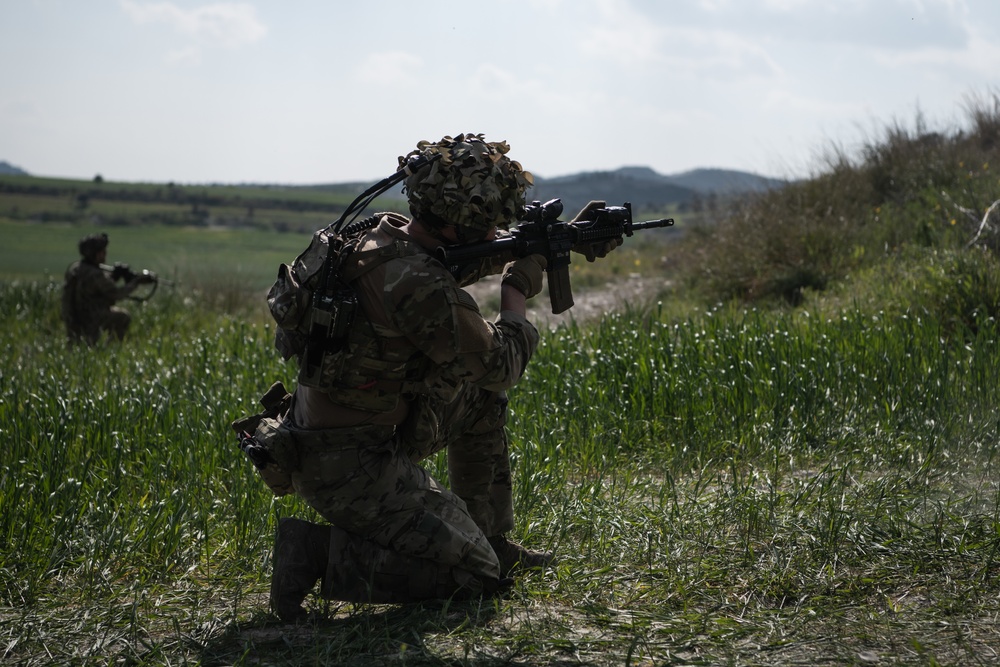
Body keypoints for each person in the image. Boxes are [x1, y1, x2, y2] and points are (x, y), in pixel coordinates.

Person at [265, 133, 619, 621]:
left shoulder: (381, 235)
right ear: (456, 227)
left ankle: (490, 533)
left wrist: (556, 242)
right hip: (346, 465)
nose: (495, 232)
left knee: (478, 398)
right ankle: (314, 555)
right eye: (487, 224)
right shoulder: (418, 284)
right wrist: (517, 287)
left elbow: (459, 259)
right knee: (477, 576)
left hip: (339, 434)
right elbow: (501, 362)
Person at [60, 233, 154, 345]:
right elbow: (116, 294)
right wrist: (136, 282)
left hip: (72, 319)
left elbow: (96, 288)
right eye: (102, 252)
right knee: (123, 317)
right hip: (89, 319)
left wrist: (114, 277)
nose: (105, 255)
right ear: (96, 254)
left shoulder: (75, 268)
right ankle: (110, 349)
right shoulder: (95, 274)